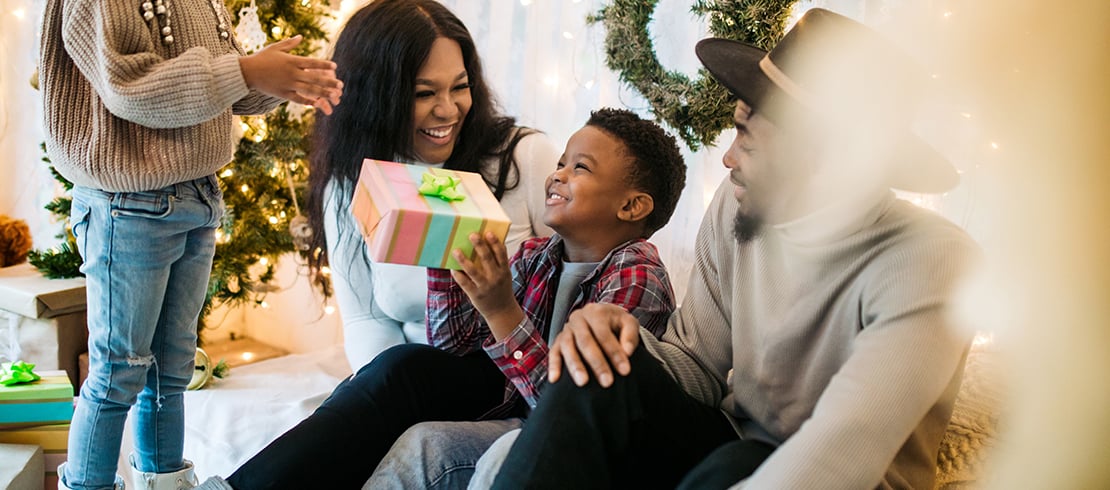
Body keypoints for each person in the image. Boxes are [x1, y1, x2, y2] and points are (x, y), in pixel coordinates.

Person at [488, 8, 981, 490]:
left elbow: (844, 454)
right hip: (732, 446)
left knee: (736, 464)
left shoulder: (930, 261)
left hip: (840, 479)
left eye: (746, 137)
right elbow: (696, 365)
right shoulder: (737, 202)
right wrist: (623, 338)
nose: (727, 158)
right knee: (599, 368)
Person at [194, 107, 686, 490]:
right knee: (402, 367)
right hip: (513, 401)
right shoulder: (538, 255)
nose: (558, 175)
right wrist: (446, 258)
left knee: (424, 441)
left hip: (561, 437)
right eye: (560, 162)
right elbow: (452, 351)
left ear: (632, 205)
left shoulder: (637, 277)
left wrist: (501, 310)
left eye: (580, 168)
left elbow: (572, 414)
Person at [38, 0, 344, 488]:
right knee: (119, 370)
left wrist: (272, 79)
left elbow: (221, 85)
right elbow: (129, 86)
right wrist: (246, 71)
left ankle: (164, 479)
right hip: (128, 202)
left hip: (197, 194)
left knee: (171, 369)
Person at [302, 0, 559, 373]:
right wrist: (390, 396)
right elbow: (366, 321)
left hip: (515, 377)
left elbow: (572, 289)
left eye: (460, 87)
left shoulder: (526, 156)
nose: (448, 110)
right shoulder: (351, 184)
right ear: (375, 98)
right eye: (424, 94)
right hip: (412, 379)